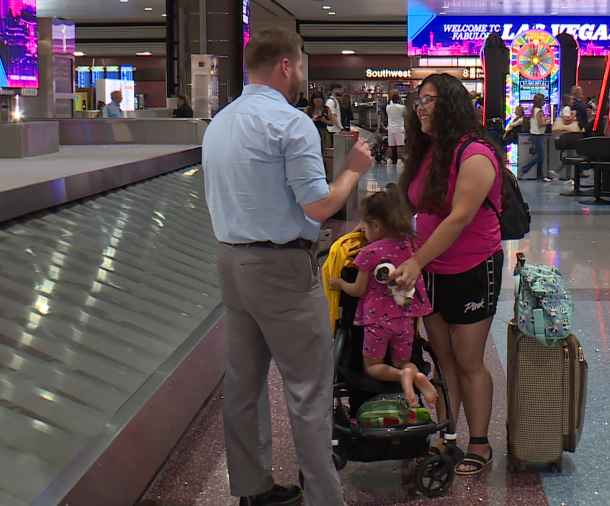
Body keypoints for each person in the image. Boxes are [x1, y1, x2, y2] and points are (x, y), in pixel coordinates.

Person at [202, 27, 373, 506]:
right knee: (309, 390)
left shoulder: (220, 121)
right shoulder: (290, 123)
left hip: (230, 263)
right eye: (298, 65)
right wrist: (354, 169)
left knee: (243, 385)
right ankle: (325, 498)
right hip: (280, 269)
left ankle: (253, 488)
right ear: (284, 65)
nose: (300, 74)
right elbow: (320, 207)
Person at [394, 73, 505, 476]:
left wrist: (416, 261)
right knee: (442, 359)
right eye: (418, 99)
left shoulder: (474, 154)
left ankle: (480, 442)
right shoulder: (429, 151)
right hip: (430, 267)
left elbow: (459, 218)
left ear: (452, 105)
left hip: (472, 267)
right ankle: (445, 434)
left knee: (468, 360)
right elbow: (414, 207)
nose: (421, 106)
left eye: (430, 100)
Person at [327, 185, 438, 408]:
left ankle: (400, 377)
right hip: (404, 321)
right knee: (403, 362)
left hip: (377, 322)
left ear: (376, 225)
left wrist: (340, 283)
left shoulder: (368, 253)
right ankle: (413, 375)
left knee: (372, 367)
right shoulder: (410, 248)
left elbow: (358, 290)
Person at [518, 94, 551, 182]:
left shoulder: (534, 110)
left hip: (533, 134)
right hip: (537, 135)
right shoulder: (539, 111)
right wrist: (547, 122)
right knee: (540, 156)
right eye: (543, 100)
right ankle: (524, 169)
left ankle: (540, 176)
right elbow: (540, 124)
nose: (545, 102)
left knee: (540, 156)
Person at [385, 91, 406, 166]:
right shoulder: (401, 107)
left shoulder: (388, 107)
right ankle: (399, 161)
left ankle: (389, 160)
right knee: (400, 145)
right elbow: (405, 113)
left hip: (390, 128)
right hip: (399, 128)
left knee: (390, 146)